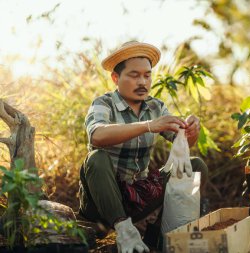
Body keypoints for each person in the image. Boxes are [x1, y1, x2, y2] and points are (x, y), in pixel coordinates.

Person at [78, 41, 208, 253]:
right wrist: (148, 126)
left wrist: (190, 132)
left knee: (195, 166)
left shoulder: (156, 106)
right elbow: (97, 136)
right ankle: (125, 233)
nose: (142, 82)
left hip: (138, 198)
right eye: (134, 75)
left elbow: (182, 146)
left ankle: (156, 236)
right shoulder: (103, 104)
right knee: (96, 158)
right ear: (115, 78)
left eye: (147, 75)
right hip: (101, 203)